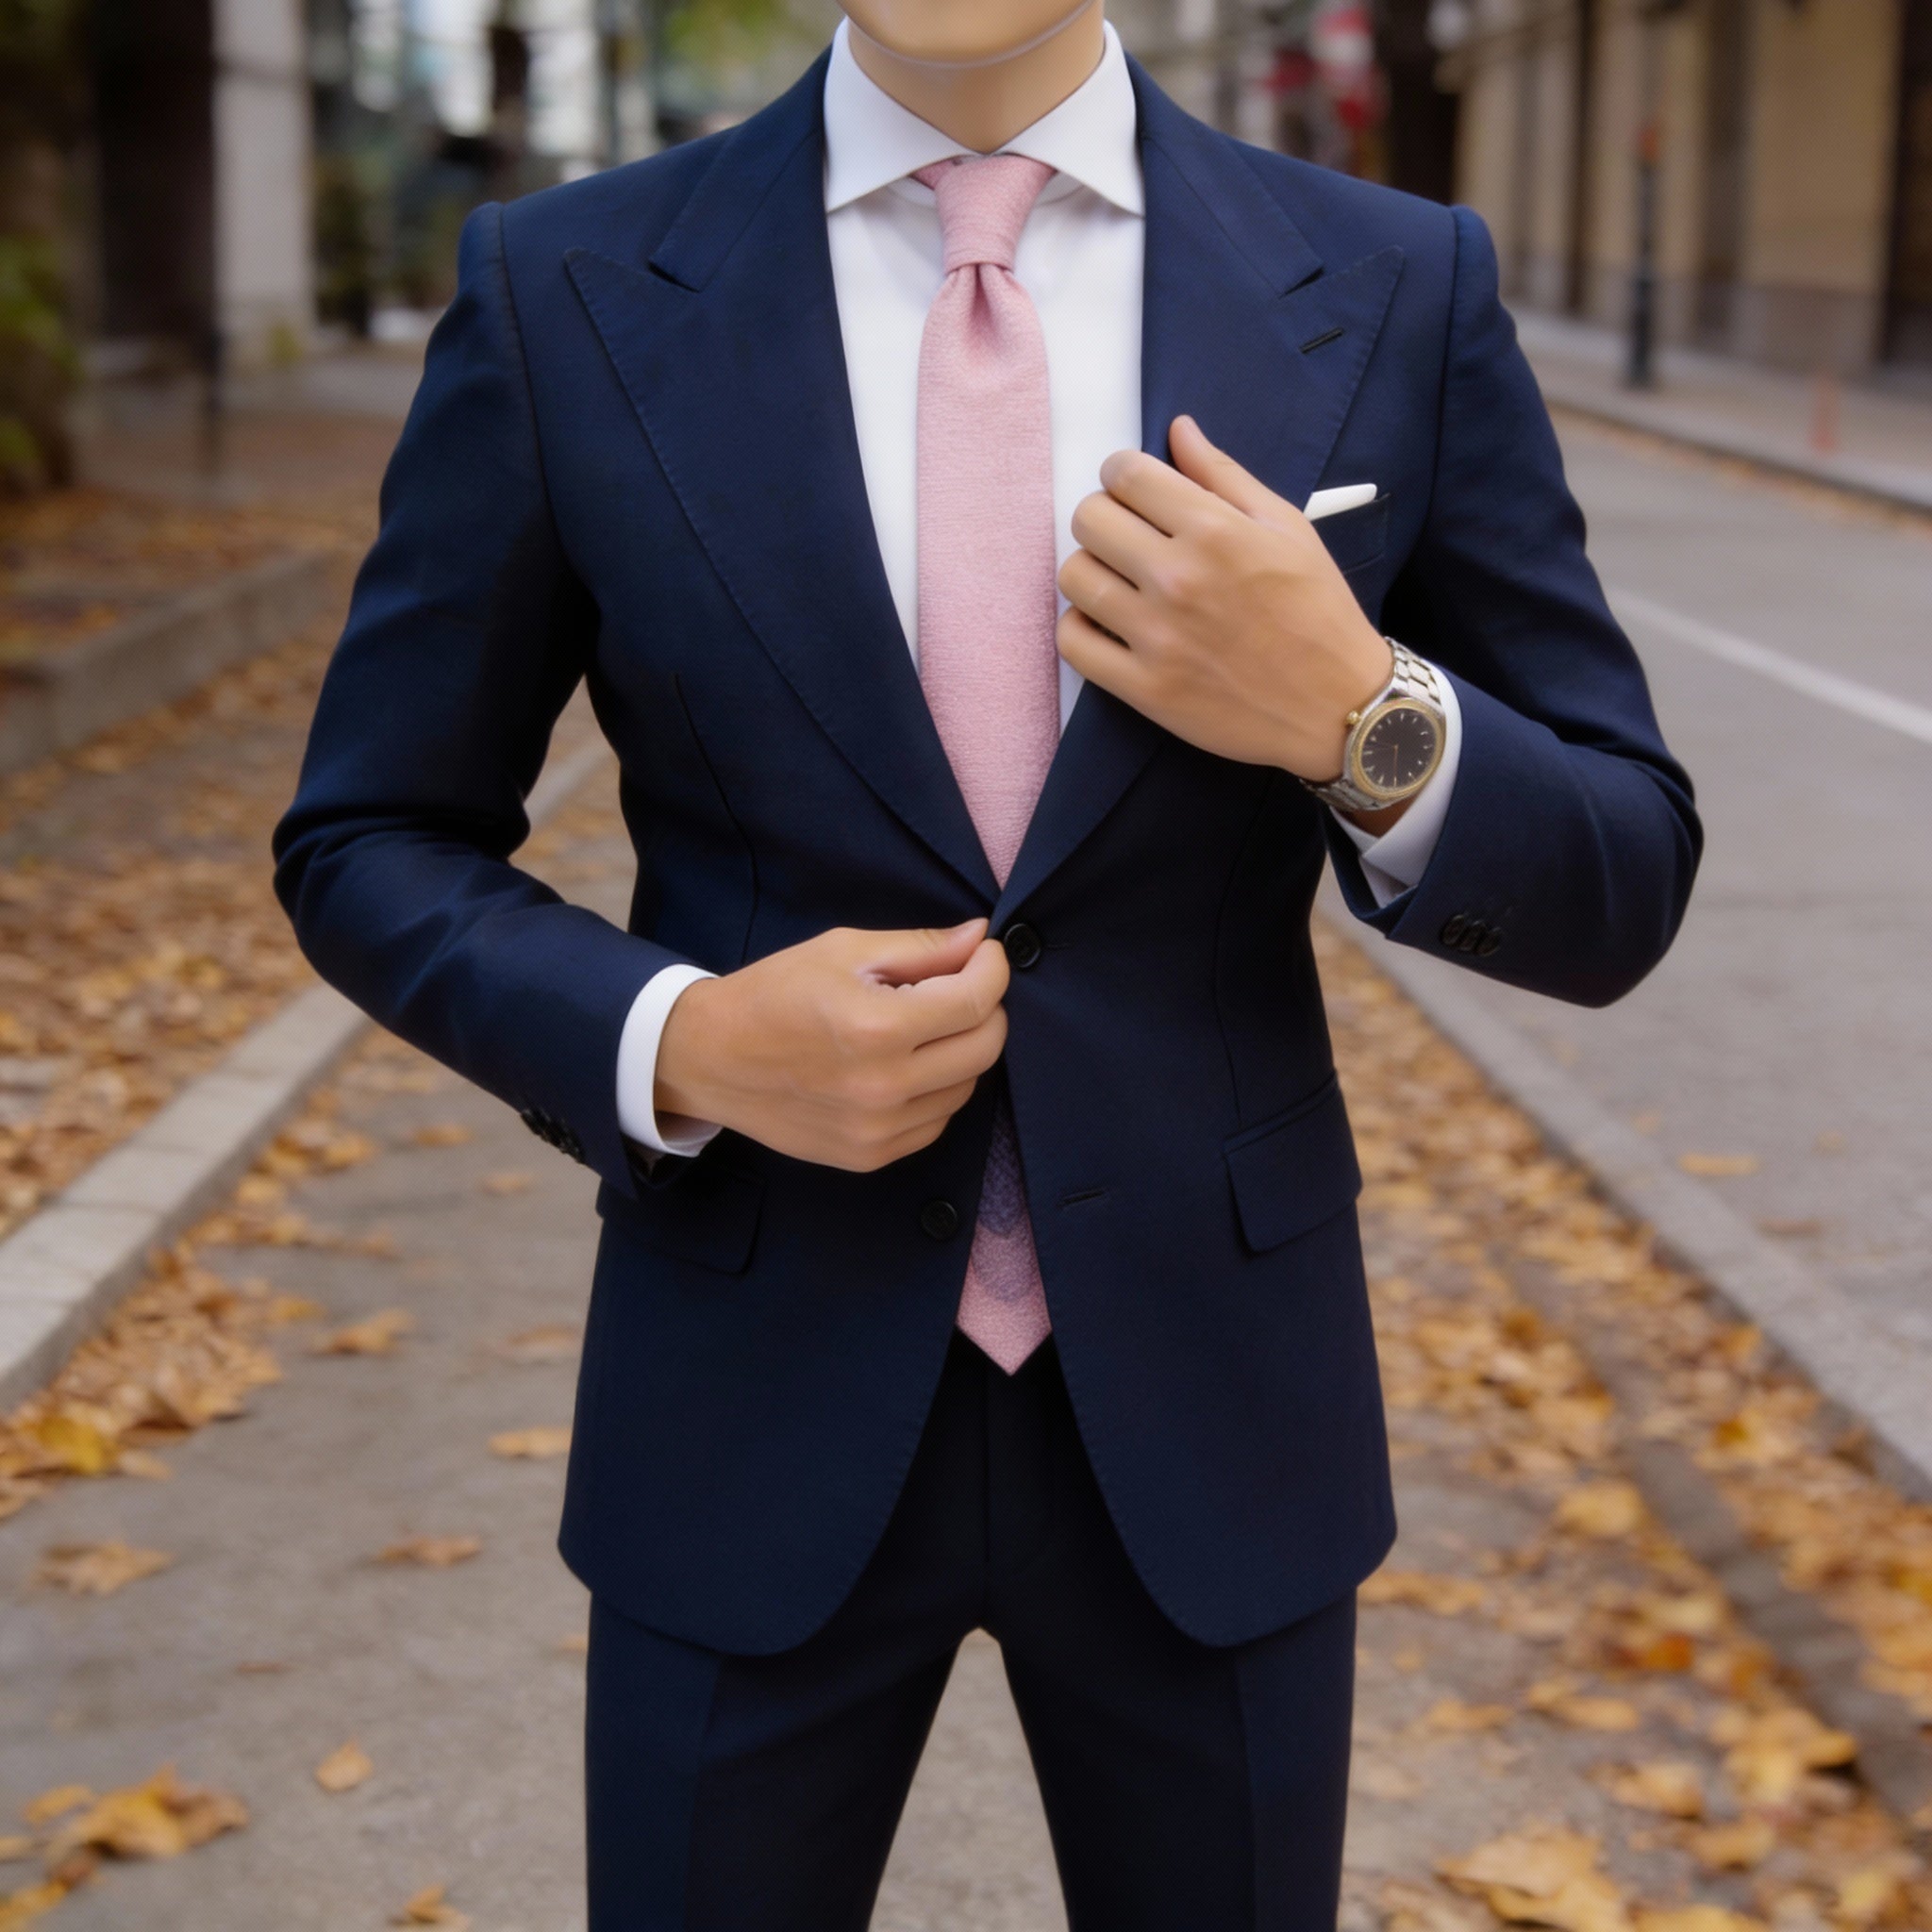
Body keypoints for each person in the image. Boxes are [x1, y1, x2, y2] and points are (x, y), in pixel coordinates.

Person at [274, 2, 1700, 1924]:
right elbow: (369, 833)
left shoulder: (1387, 279)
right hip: (745, 1400)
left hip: (1216, 1413)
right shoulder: (566, 284)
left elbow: (1620, 876)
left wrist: (1355, 710)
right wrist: (678, 1039)